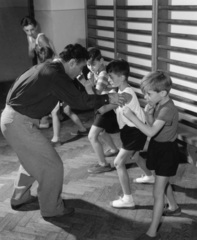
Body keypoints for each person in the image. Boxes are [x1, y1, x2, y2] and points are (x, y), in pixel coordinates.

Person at [0, 43, 130, 219]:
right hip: (18, 123)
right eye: (81, 67)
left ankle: (19, 198)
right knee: (53, 166)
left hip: (12, 119)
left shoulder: (48, 67)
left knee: (31, 163)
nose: (80, 73)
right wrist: (108, 97)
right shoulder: (55, 74)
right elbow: (81, 102)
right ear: (72, 62)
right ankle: (51, 209)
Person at [123, 71, 181, 240]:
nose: (145, 96)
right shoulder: (159, 105)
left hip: (167, 152)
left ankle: (152, 233)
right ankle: (174, 207)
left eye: (148, 93)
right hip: (158, 147)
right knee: (162, 180)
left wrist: (132, 117)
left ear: (162, 93)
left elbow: (150, 131)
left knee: (157, 193)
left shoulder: (167, 109)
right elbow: (154, 129)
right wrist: (148, 114)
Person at [98, 59, 147, 208]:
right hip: (130, 130)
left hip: (135, 132)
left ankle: (128, 199)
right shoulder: (119, 91)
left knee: (118, 162)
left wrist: (88, 96)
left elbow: (103, 109)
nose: (109, 79)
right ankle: (150, 176)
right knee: (136, 156)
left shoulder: (125, 95)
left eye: (111, 77)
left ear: (122, 77)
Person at [86, 47, 119, 174]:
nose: (91, 67)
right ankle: (113, 149)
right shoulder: (96, 73)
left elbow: (95, 94)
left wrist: (87, 83)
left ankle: (103, 164)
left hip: (107, 107)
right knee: (101, 132)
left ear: (101, 60)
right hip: (104, 105)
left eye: (93, 64)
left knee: (92, 136)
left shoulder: (103, 74)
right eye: (88, 64)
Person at [21, 16, 56, 128]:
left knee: (43, 93)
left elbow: (50, 56)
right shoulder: (29, 37)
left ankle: (46, 119)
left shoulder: (41, 38)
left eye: (32, 29)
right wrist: (31, 48)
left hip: (51, 67)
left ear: (36, 27)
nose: (30, 32)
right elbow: (31, 55)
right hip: (43, 67)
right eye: (27, 30)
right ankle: (51, 116)